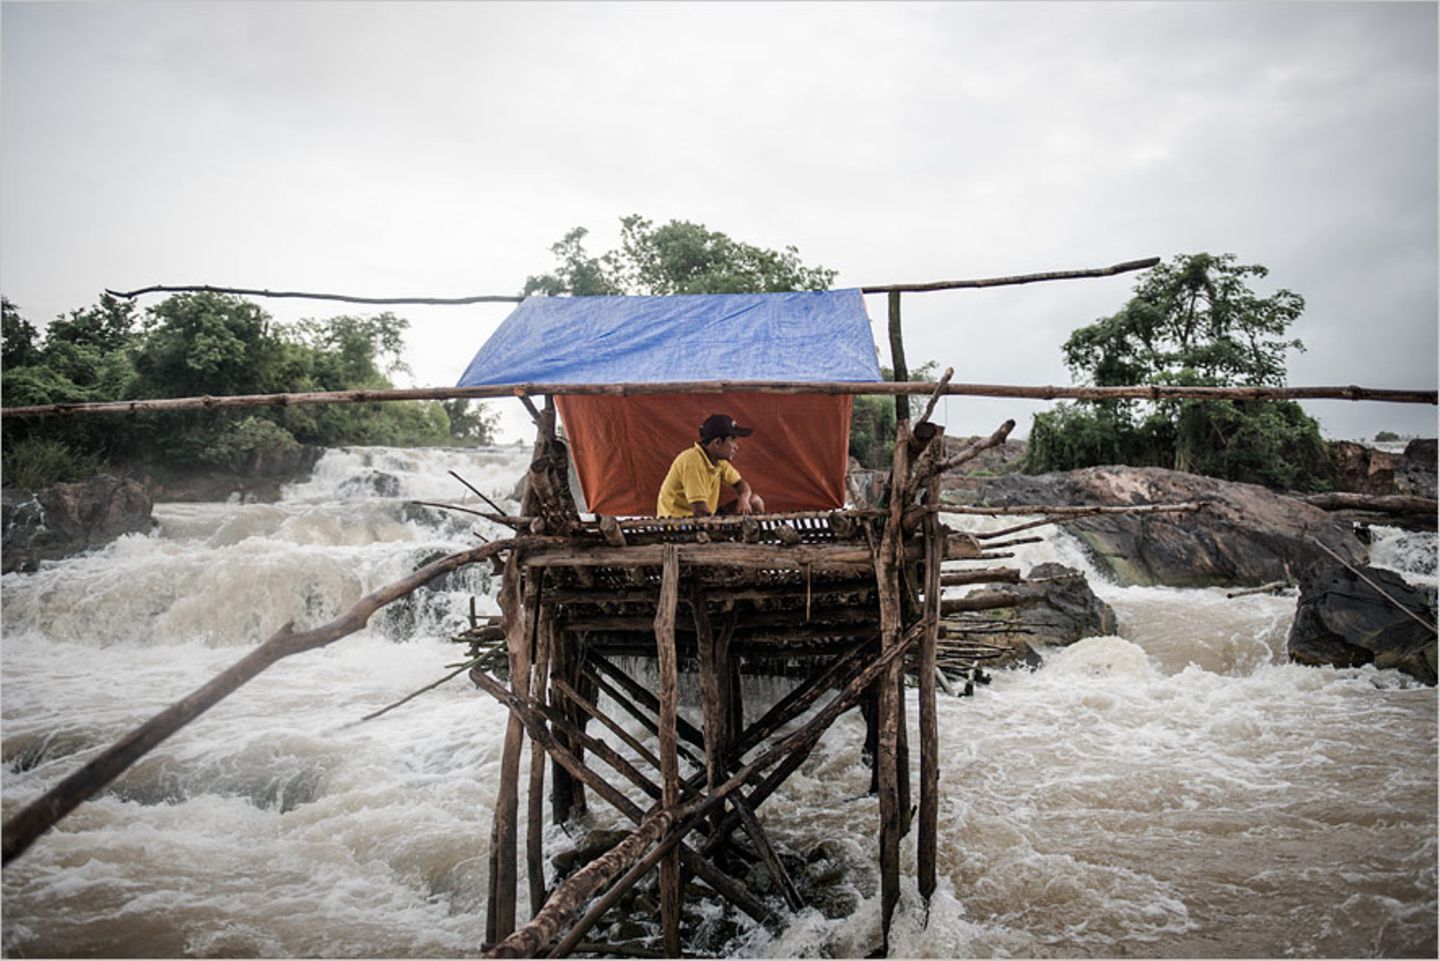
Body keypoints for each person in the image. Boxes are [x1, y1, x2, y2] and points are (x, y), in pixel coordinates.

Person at [656, 413, 766, 518]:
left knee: (754, 501)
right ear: (717, 442)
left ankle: (748, 536)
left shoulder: (719, 462)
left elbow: (742, 485)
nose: (736, 447)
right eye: (732, 440)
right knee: (711, 520)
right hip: (681, 523)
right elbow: (700, 511)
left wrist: (743, 500)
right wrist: (720, 527)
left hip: (707, 517)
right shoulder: (692, 461)